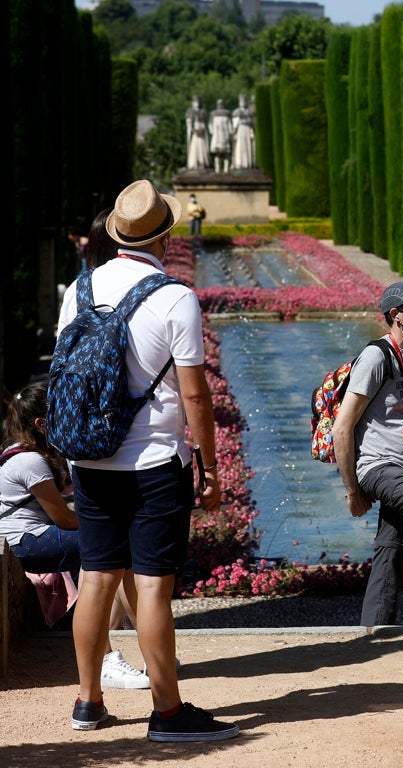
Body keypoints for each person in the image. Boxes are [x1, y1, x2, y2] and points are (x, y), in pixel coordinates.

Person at [57, 179, 238, 741]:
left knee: (96, 580)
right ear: (163, 236)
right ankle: (167, 712)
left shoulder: (79, 289)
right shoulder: (174, 296)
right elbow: (195, 395)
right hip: (156, 462)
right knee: (153, 587)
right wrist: (208, 467)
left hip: (89, 460)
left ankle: (88, 701)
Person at [0, 381, 150, 689]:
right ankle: (112, 657)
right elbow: (65, 519)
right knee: (110, 546)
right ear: (41, 424)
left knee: (116, 548)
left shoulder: (39, 452)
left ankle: (135, 650)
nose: (73, 417)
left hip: (38, 533)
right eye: (64, 412)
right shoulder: (29, 461)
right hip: (25, 542)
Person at [331, 280, 403, 628]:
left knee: (389, 548)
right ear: (396, 315)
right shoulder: (376, 357)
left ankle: (374, 627)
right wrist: (353, 490)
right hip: (377, 466)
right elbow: (342, 428)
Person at [230, 94, 256, 171]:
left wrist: (248, 122)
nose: (243, 103)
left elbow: (252, 123)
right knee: (239, 146)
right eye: (241, 101)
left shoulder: (250, 112)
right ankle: (239, 163)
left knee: (248, 146)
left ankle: (247, 163)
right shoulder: (237, 112)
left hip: (247, 130)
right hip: (240, 131)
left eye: (244, 101)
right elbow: (235, 124)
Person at [185, 96, 209, 171]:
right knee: (194, 148)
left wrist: (202, 130)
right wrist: (194, 130)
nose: (196, 104)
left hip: (201, 133)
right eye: (195, 102)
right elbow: (189, 124)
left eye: (198, 102)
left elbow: (205, 124)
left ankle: (202, 162)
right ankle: (193, 163)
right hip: (194, 134)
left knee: (202, 148)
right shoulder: (190, 111)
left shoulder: (203, 111)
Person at [209, 98, 233, 174]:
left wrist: (230, 133)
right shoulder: (213, 114)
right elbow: (210, 126)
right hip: (217, 136)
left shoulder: (227, 114)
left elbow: (230, 126)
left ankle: (226, 169)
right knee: (217, 153)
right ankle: (217, 169)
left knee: (226, 153)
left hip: (224, 136)